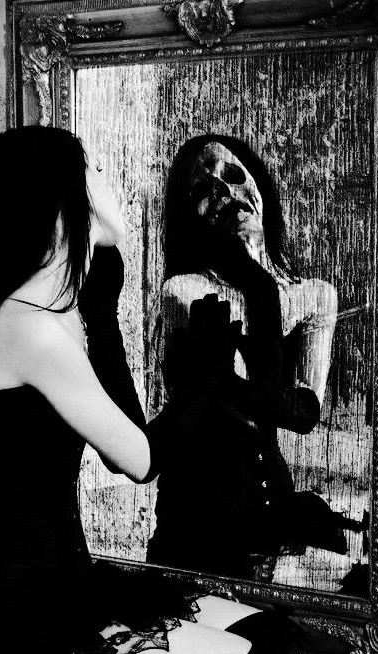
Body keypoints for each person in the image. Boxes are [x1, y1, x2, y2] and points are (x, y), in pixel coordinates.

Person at [0, 126, 293, 654]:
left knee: (269, 633)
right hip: (12, 605)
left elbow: (125, 443)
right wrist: (203, 375)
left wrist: (105, 308)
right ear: (63, 199)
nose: (108, 183)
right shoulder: (31, 329)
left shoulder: (61, 310)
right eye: (93, 171)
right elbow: (141, 460)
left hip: (60, 578)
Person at [148, 134, 347, 578]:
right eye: (202, 191)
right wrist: (255, 282)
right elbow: (243, 408)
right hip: (196, 518)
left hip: (266, 507)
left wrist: (261, 285)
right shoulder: (186, 292)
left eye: (233, 176)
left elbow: (303, 413)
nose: (223, 192)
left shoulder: (316, 297)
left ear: (258, 185)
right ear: (190, 217)